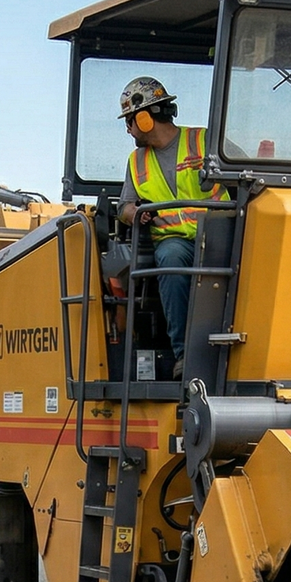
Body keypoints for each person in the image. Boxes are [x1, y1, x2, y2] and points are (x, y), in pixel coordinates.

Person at [116, 76, 229, 370]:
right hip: (175, 241)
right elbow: (124, 206)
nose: (128, 129)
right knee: (170, 258)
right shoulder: (136, 160)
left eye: (129, 121)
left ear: (144, 118)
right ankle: (185, 355)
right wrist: (134, 214)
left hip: (218, 232)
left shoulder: (205, 141)